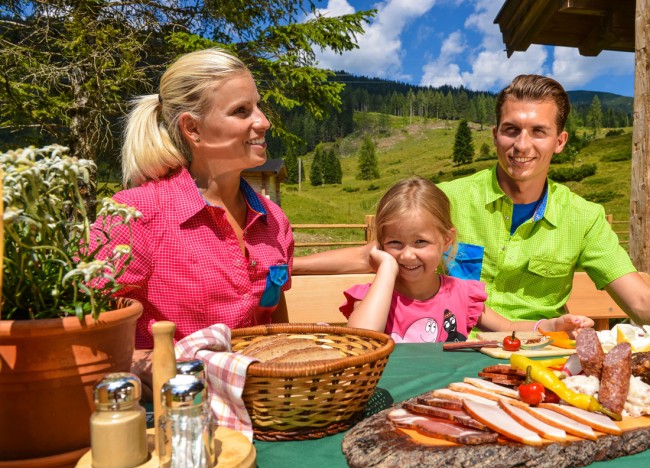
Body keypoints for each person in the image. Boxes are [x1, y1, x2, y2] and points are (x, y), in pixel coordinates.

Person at [294, 74, 650, 326]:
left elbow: (639, 301)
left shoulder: (584, 217)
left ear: (560, 141)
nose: (521, 145)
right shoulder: (449, 199)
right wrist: (283, 266)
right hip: (452, 352)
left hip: (538, 352)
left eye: (538, 132)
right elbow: (375, 254)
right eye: (511, 130)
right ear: (496, 135)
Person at [92, 48, 293, 394]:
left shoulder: (273, 220)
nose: (263, 121)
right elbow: (90, 329)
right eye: (241, 111)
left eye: (257, 106)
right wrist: (179, 371)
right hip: (171, 411)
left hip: (266, 406)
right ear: (193, 128)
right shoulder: (136, 215)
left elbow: (276, 319)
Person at [340, 177, 594, 342]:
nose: (407, 254)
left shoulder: (461, 294)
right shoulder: (374, 298)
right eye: (395, 243)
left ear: (446, 241)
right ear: (382, 244)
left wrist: (551, 325)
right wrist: (385, 267)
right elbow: (361, 339)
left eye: (421, 242)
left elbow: (507, 326)